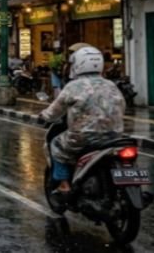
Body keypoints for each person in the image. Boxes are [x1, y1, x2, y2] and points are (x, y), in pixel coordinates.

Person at [39, 46, 124, 199]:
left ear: (78, 64)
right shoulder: (111, 85)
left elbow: (55, 110)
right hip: (114, 136)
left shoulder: (73, 86)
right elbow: (121, 106)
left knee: (56, 145)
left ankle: (64, 184)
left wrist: (44, 116)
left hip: (83, 137)